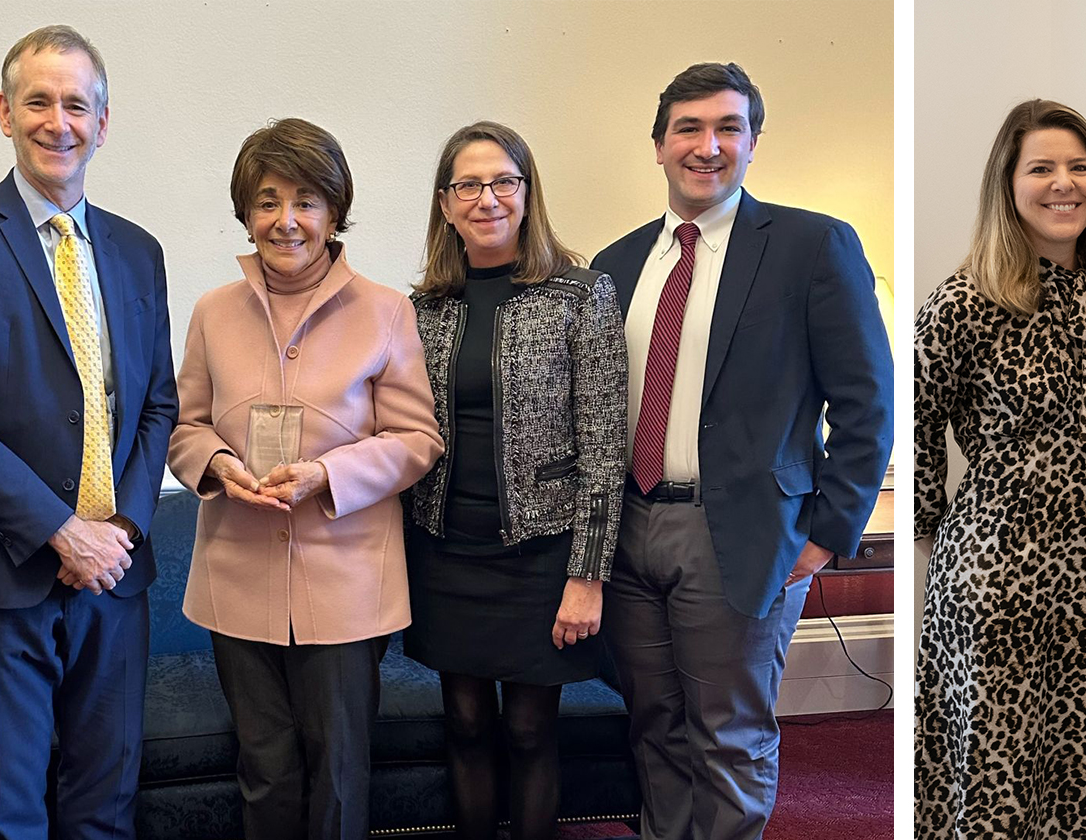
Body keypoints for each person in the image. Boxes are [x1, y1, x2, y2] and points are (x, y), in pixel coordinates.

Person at [587, 61, 894, 840]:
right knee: (653, 726)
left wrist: (828, 534)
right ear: (658, 145)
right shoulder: (614, 266)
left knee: (728, 736)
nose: (708, 145)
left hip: (745, 534)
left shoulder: (812, 245)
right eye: (688, 128)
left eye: (729, 127)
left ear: (754, 142)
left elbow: (867, 403)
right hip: (630, 527)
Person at [0, 25, 178, 835]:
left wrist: (119, 529)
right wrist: (62, 532)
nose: (58, 122)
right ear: (4, 111)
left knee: (107, 800)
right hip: (2, 574)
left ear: (102, 121)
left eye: (77, 105)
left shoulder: (137, 250)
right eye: (38, 102)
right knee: (15, 810)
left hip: (115, 576)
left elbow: (156, 402)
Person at [166, 118, 442, 839]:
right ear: (246, 214)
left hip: (348, 581)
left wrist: (326, 472)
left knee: (340, 767)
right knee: (263, 764)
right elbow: (182, 426)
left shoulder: (386, 311)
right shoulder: (211, 312)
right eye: (266, 201)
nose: (285, 220)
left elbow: (418, 439)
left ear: (333, 211)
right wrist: (220, 467)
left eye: (306, 200)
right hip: (237, 574)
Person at [914, 99, 1086, 837]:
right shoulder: (963, 302)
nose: (1064, 183)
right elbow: (915, 425)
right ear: (1007, 185)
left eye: (1079, 167)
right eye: (1041, 167)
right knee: (999, 796)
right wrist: (930, 545)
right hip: (996, 590)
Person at [399, 120, 626, 840]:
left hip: (540, 555)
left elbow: (604, 447)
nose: (486, 198)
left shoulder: (580, 295)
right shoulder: (423, 308)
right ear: (445, 203)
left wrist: (586, 576)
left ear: (527, 195)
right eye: (469, 184)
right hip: (444, 551)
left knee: (528, 728)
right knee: (464, 723)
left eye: (504, 181)